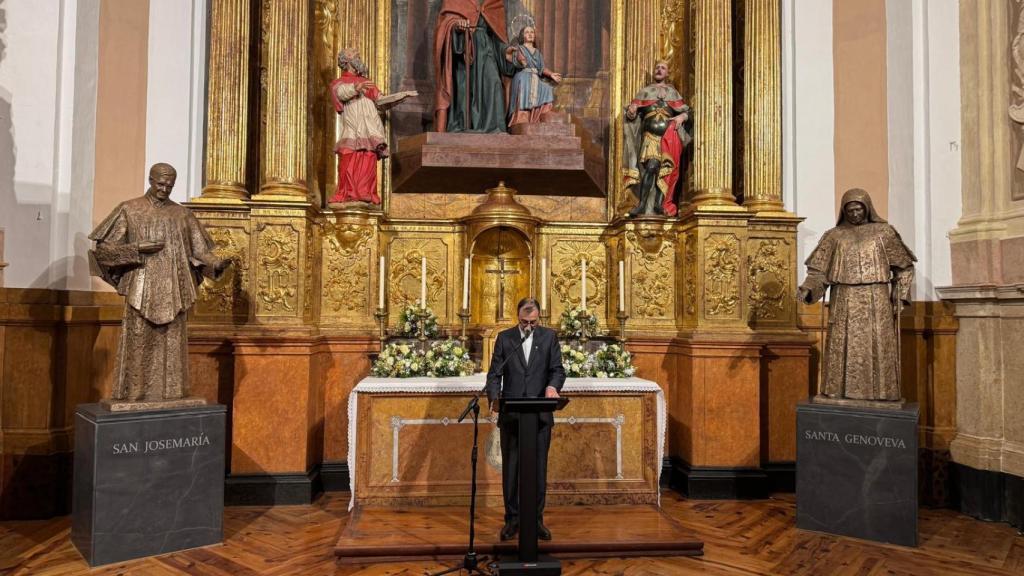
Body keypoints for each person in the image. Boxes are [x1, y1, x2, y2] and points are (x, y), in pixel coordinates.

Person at [89, 163, 230, 409]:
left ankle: (171, 395)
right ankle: (135, 395)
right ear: (150, 179)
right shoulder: (129, 210)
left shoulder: (182, 215)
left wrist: (216, 265)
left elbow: (199, 253)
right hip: (140, 289)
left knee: (173, 344)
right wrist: (137, 248)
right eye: (160, 184)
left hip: (174, 289)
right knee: (138, 341)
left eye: (169, 185)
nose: (164, 189)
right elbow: (103, 252)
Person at [797, 188, 916, 403]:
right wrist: (808, 288)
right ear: (844, 211)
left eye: (858, 209)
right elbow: (818, 272)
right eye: (850, 210)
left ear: (867, 208)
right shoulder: (834, 236)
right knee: (843, 345)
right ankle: (838, 391)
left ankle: (882, 393)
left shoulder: (884, 232)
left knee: (878, 345)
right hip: (844, 298)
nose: (854, 214)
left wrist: (899, 296)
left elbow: (905, 268)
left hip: (876, 298)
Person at [485, 297, 565, 541]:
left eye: (533, 321)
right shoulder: (506, 338)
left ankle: (536, 520)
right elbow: (494, 374)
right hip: (511, 414)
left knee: (538, 469)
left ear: (539, 318)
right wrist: (494, 400)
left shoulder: (549, 338)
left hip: (539, 415)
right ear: (517, 317)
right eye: (524, 321)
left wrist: (552, 387)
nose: (529, 326)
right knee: (511, 469)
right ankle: (512, 519)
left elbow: (557, 370)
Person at [329, 48, 415, 205]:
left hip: (370, 128)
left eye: (358, 55)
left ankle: (365, 193)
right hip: (353, 128)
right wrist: (355, 88)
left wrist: (399, 97)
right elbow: (340, 93)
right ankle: (347, 193)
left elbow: (381, 101)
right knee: (348, 159)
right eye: (355, 55)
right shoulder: (339, 83)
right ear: (346, 61)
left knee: (368, 158)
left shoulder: (367, 83)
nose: (358, 56)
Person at [433, 0, 515, 133]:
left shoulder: (494, 2)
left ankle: (494, 128)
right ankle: (464, 125)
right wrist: (456, 27)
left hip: (486, 50)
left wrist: (505, 52)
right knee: (463, 88)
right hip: (465, 51)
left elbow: (497, 35)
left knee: (494, 82)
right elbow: (444, 25)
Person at [622, 60, 691, 217]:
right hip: (651, 137)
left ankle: (660, 205)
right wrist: (631, 112)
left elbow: (688, 112)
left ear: (668, 73)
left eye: (663, 68)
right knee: (652, 166)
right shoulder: (645, 92)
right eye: (657, 68)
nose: (659, 70)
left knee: (665, 171)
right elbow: (632, 114)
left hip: (668, 139)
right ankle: (642, 204)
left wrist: (682, 116)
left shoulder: (673, 94)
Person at [506, 24, 562, 127]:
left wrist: (551, 74)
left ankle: (542, 114)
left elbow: (542, 68)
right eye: (527, 32)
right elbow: (514, 59)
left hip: (535, 76)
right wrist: (519, 59)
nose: (530, 34)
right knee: (525, 81)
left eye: (532, 32)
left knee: (547, 88)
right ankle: (522, 116)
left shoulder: (538, 53)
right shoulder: (520, 48)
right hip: (523, 75)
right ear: (523, 36)